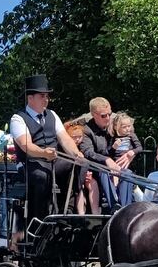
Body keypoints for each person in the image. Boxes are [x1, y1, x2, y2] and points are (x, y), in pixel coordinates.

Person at [9, 74, 84, 223]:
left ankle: (67, 210)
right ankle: (38, 219)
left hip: (53, 159)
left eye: (47, 96)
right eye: (42, 96)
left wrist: (76, 153)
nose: (46, 99)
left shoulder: (52, 115)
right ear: (30, 98)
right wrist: (43, 153)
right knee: (42, 176)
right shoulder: (17, 119)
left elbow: (65, 138)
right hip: (31, 162)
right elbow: (26, 146)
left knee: (80, 164)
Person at [80, 97, 127, 210]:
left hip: (116, 165)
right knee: (105, 172)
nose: (108, 118)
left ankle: (126, 208)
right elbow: (88, 152)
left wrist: (131, 153)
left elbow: (130, 137)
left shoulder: (114, 124)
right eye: (103, 115)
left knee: (128, 174)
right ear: (93, 114)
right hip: (96, 168)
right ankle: (113, 207)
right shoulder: (87, 131)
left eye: (109, 114)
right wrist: (106, 160)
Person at [65, 121, 101, 215]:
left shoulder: (83, 146)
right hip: (71, 176)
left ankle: (95, 212)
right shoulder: (65, 147)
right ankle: (81, 212)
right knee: (80, 186)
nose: (77, 140)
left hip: (83, 174)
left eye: (79, 137)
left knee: (93, 183)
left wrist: (88, 173)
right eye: (74, 137)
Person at [108, 112, 142, 189]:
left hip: (127, 162)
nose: (127, 129)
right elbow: (109, 153)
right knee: (114, 173)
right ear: (117, 127)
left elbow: (139, 148)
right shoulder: (113, 137)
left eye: (129, 126)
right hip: (116, 161)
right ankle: (115, 188)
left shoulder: (131, 136)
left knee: (123, 173)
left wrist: (133, 151)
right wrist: (114, 147)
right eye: (124, 127)